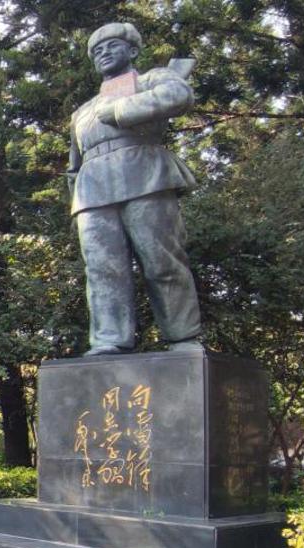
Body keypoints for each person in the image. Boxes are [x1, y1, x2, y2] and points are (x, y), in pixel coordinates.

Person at [69, 22, 202, 356]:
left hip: (144, 176)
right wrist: (77, 200)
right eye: (97, 51)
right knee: (102, 269)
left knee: (162, 260)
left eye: (112, 46)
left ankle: (182, 337)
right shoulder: (82, 112)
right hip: (92, 192)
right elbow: (74, 165)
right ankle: (109, 339)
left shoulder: (151, 80)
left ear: (132, 50)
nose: (103, 53)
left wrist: (120, 110)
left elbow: (179, 95)